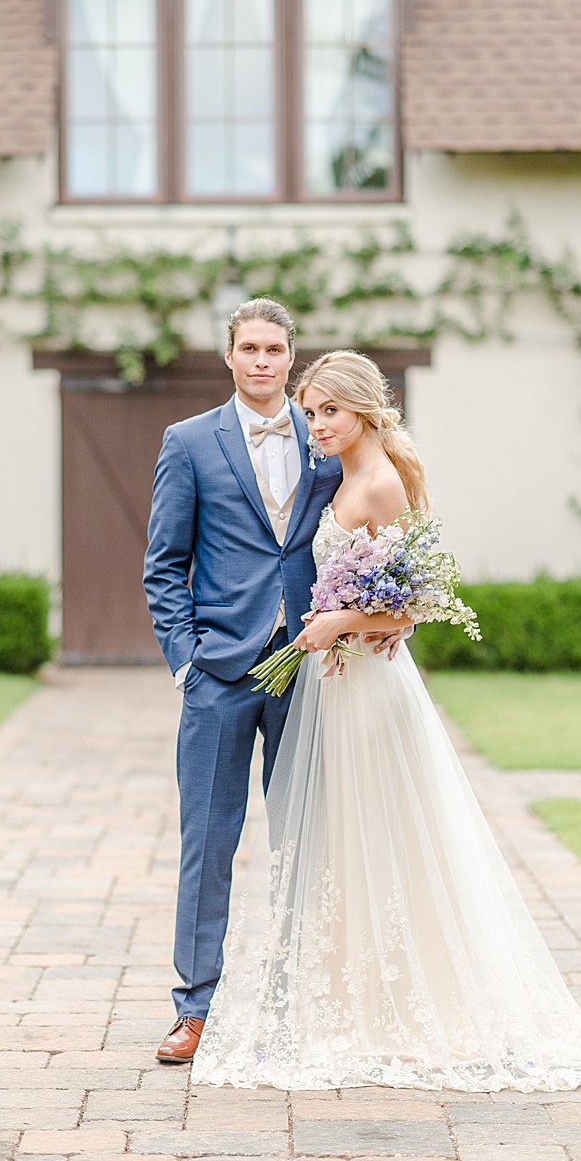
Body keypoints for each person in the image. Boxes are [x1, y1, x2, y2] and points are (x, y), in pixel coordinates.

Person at [189, 350, 581, 1092]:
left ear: (364, 409)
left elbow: (411, 601)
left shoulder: (379, 483)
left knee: (379, 837)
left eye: (329, 411)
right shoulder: (343, 473)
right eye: (311, 410)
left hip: (365, 690)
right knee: (342, 844)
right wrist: (341, 625)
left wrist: (337, 623)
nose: (315, 424)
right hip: (337, 680)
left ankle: (398, 1009)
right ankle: (350, 1001)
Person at [143, 298, 396, 1065]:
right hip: (219, 674)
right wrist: (187, 661)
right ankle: (195, 1010)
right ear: (228, 355)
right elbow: (163, 566)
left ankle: (294, 999)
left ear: (291, 357)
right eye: (248, 347)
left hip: (311, 675)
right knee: (207, 845)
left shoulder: (327, 441)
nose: (262, 360)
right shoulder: (186, 443)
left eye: (275, 349)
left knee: (307, 840)